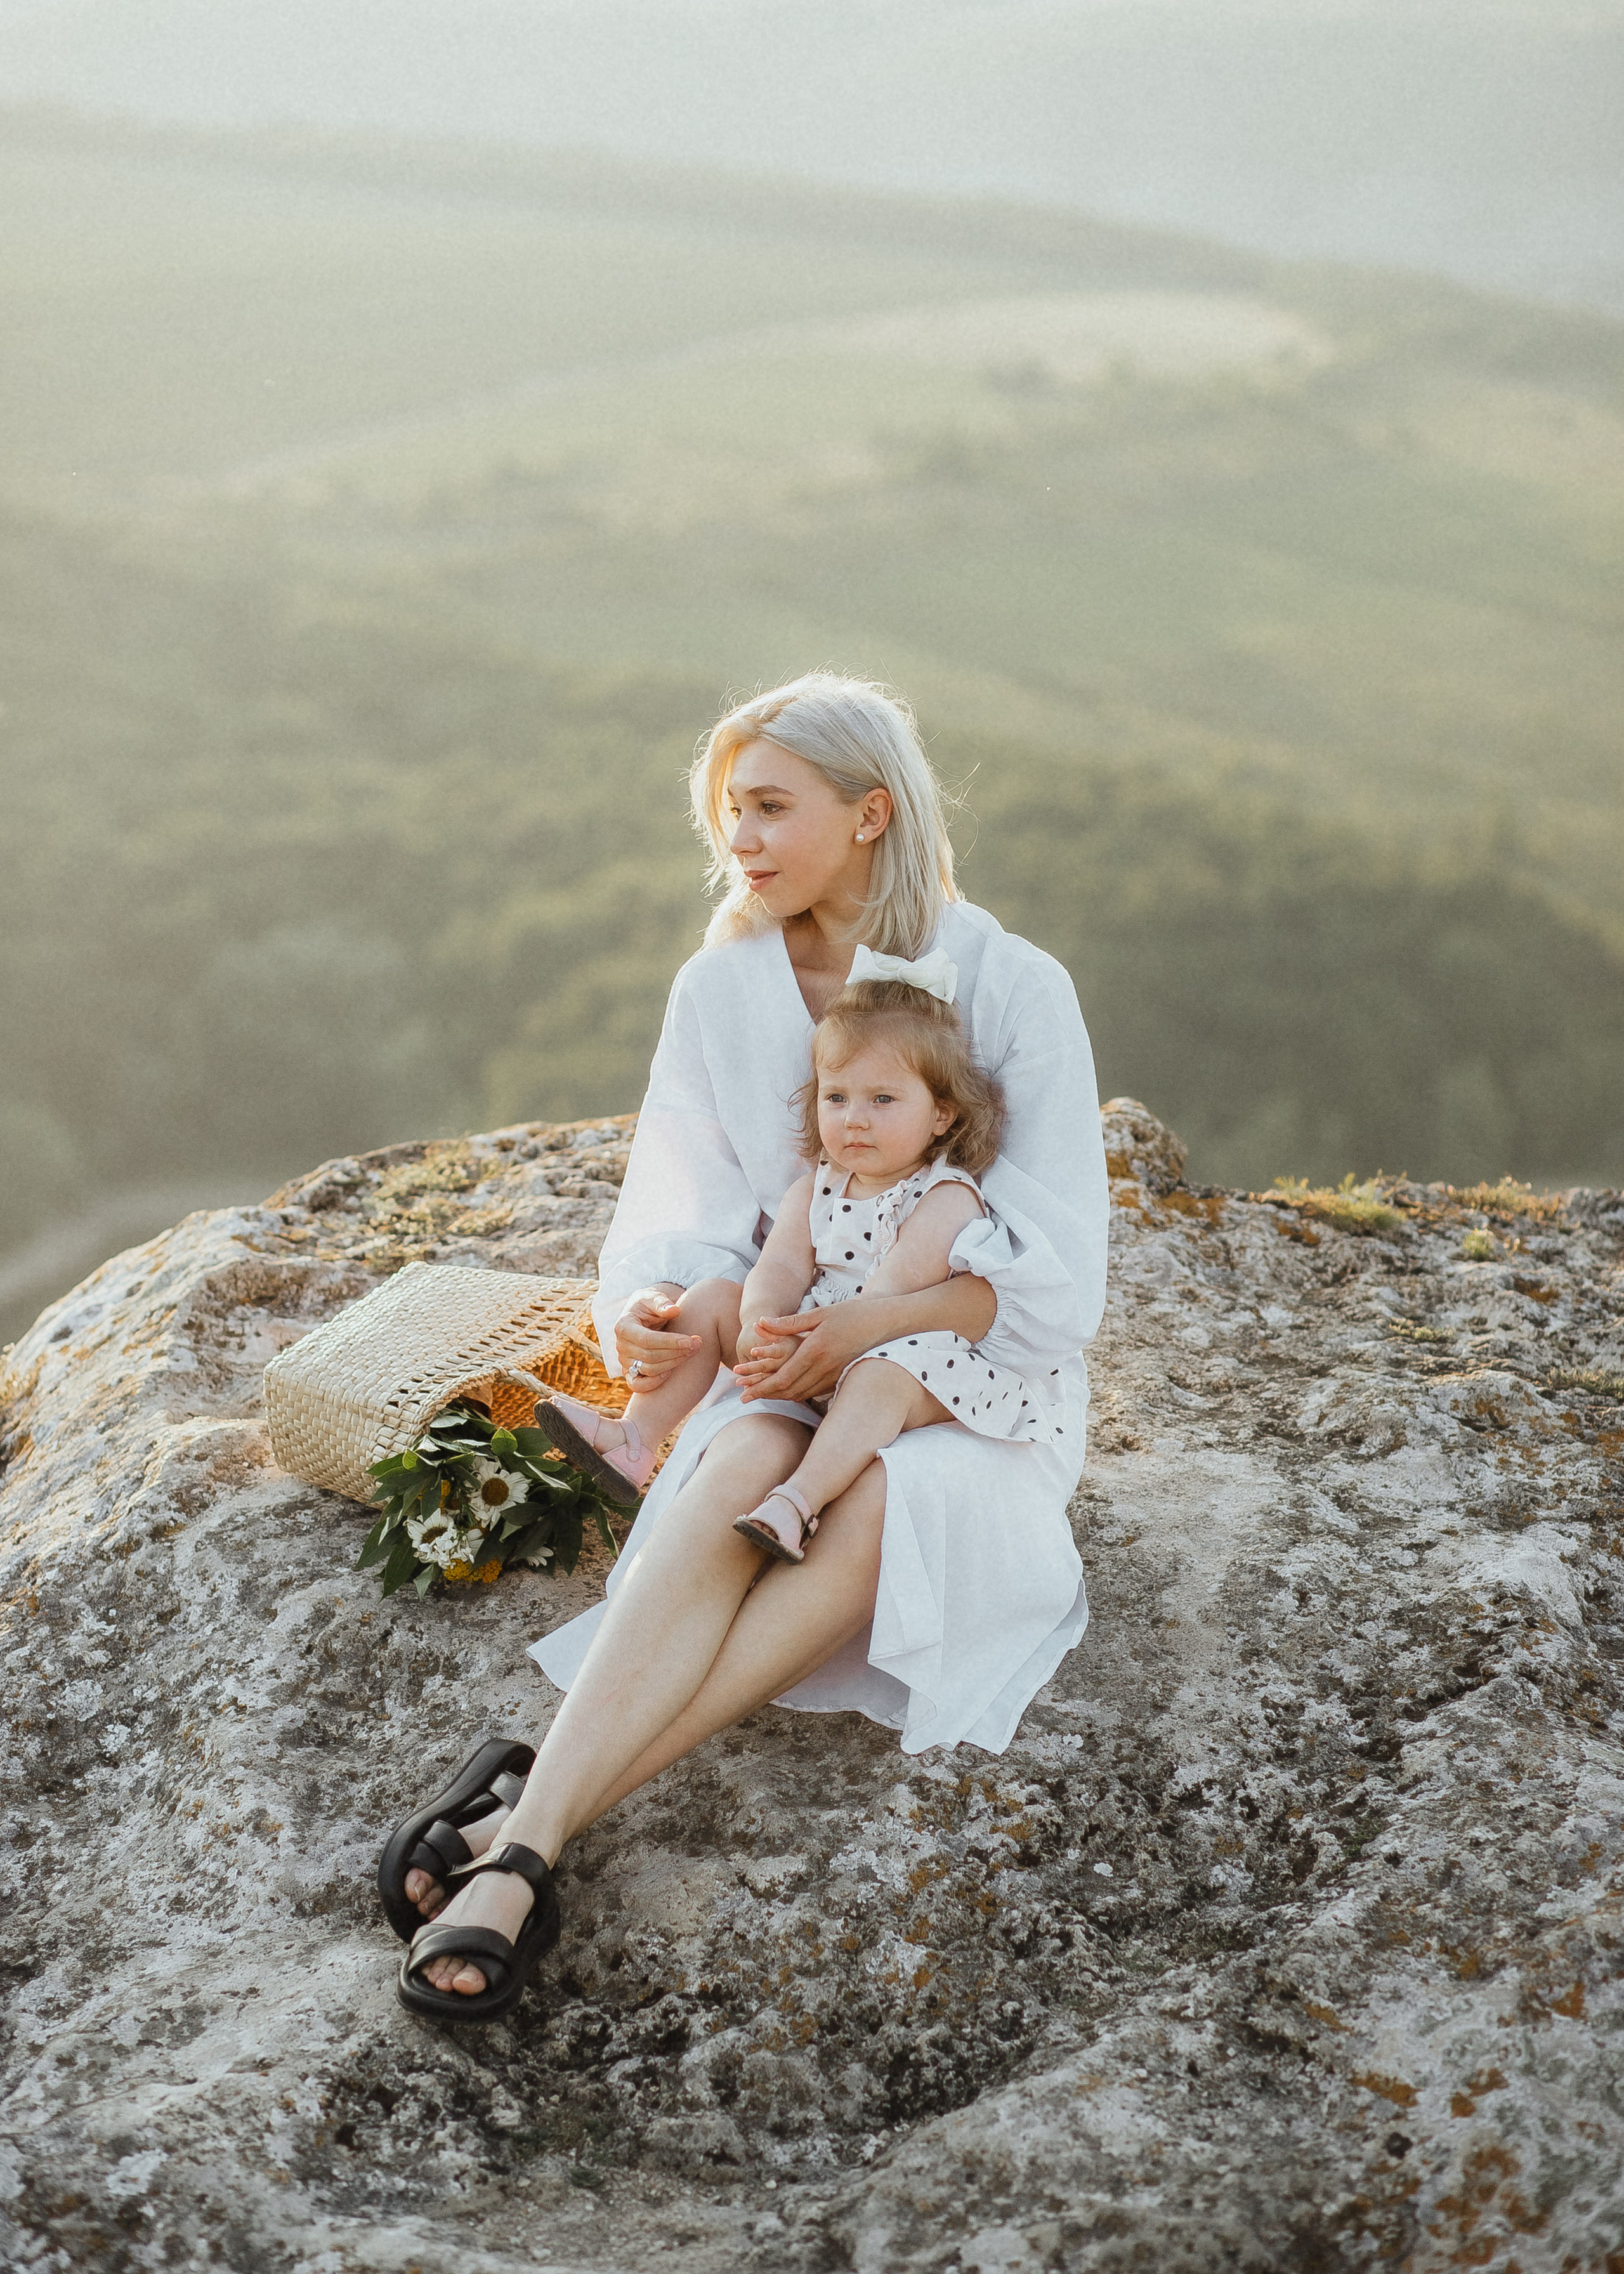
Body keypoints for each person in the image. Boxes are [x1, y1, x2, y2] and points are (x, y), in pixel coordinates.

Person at [384, 672, 1110, 2020]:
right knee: (722, 1485)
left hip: (963, 1385)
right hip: (781, 1362)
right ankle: (531, 1844)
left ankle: (516, 1847)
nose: (744, 844)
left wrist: (869, 1320)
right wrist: (683, 1307)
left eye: (771, 809)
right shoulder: (718, 990)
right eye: (730, 817)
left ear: (871, 813)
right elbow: (694, 1209)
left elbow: (1053, 1280)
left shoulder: (1011, 988)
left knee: (886, 1508)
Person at [540, 967, 1047, 1567]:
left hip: (893, 1353)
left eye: (883, 1099)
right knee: (709, 1299)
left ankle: (796, 1504)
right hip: (812, 1344)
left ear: (941, 1113)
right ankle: (634, 1438)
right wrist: (760, 1323)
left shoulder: (945, 1197)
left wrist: (815, 1344)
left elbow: (887, 1298)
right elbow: (778, 1270)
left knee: (881, 1377)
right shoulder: (816, 1189)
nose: (855, 1118)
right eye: (837, 1097)